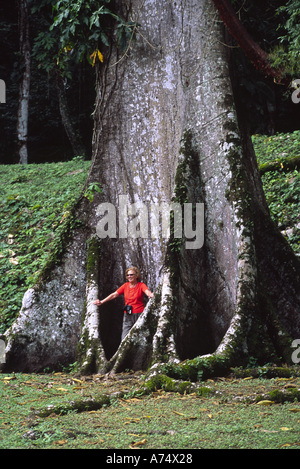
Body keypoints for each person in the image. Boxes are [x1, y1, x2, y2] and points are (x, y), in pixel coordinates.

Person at [93, 266, 154, 340]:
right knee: (125, 337)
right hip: (128, 315)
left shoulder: (141, 285)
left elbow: (147, 291)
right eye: (128, 275)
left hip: (140, 314)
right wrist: (102, 302)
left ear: (136, 275)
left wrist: (151, 295)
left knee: (141, 337)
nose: (129, 276)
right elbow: (114, 294)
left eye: (131, 274)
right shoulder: (125, 286)